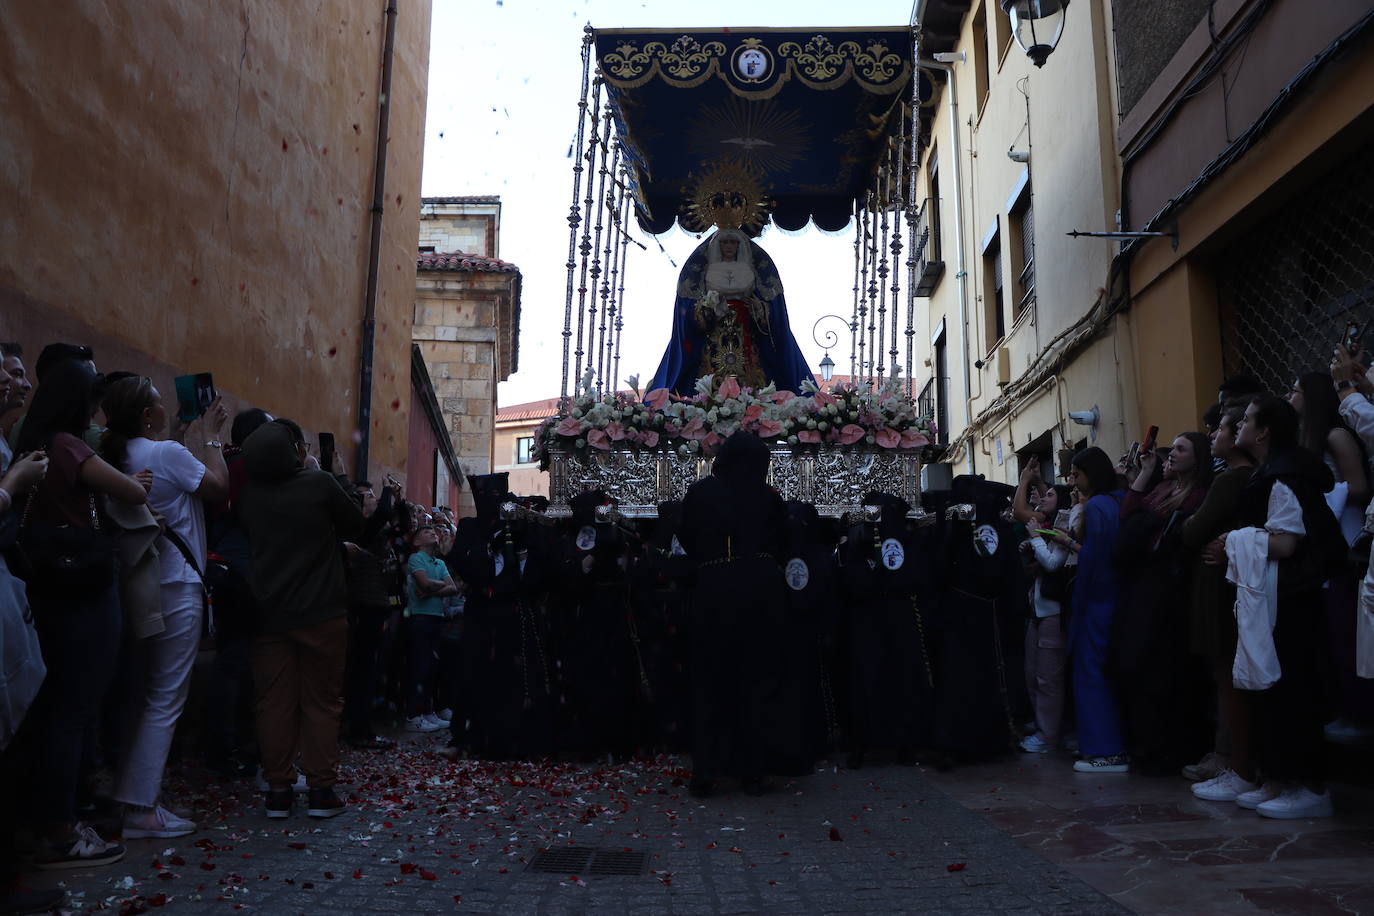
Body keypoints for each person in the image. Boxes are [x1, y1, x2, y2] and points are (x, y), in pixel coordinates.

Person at [13, 359, 149, 868]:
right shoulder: (68, 444)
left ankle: (45, 819)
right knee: (75, 709)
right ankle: (62, 828)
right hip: (81, 585)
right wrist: (139, 479)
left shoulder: (29, 439)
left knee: (53, 709)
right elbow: (132, 491)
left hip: (45, 581)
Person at [98, 376, 230, 838]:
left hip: (140, 582)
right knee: (166, 696)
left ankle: (132, 793)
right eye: (157, 405)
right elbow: (217, 486)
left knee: (140, 693)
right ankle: (139, 808)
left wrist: (176, 429)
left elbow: (168, 467)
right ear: (148, 416)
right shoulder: (166, 454)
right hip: (176, 583)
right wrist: (211, 437)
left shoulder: (117, 455)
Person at [1206, 395, 1342, 818]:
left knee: (1295, 689)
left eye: (1246, 420)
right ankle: (1279, 777)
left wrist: (1232, 542)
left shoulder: (1284, 476)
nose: (1239, 425)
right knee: (1275, 691)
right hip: (1276, 597)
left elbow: (1284, 542)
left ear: (1263, 432)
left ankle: (1310, 786)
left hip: (1294, 597)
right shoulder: (1271, 473)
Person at [239, 420, 363, 819]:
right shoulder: (317, 483)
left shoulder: (249, 496)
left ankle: (278, 788)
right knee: (322, 702)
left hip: (268, 614)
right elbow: (355, 522)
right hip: (321, 609)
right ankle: (321, 789)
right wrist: (338, 475)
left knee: (274, 703)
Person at [678, 431, 787, 795]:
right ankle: (752, 770)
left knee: (710, 680)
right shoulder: (768, 497)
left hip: (713, 588)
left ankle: (706, 770)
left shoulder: (699, 493)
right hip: (759, 590)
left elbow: (688, 538)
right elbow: (781, 540)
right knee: (756, 679)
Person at [1183, 400, 1256, 799]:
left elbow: (1194, 529)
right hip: (1230, 578)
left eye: (1224, 428)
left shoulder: (1231, 479)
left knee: (1226, 672)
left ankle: (1231, 757)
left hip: (1221, 581)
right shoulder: (1240, 477)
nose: (1215, 434)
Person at [646, 228, 813, 395]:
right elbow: (692, 317)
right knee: (709, 384)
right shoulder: (709, 271)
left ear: (739, 245)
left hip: (746, 336)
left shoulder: (748, 270)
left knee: (751, 381)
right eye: (724, 242)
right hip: (714, 338)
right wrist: (707, 309)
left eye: (733, 242)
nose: (728, 246)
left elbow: (771, 316)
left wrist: (759, 309)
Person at [1061, 446, 1129, 773]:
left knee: (1092, 675)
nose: (1072, 481)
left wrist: (1071, 545)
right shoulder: (1118, 501)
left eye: (1076, 474)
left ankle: (1104, 749)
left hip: (1098, 602)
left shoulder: (1099, 506)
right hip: (1117, 599)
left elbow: (1095, 559)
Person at [1015, 462, 1072, 755]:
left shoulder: (1061, 528)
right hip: (1036, 610)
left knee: (1049, 677)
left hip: (1052, 612)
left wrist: (1035, 539)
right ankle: (1043, 726)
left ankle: (1049, 734)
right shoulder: (1048, 526)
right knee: (1033, 672)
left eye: (1049, 494)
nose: (1042, 497)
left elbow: (1053, 563)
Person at [403, 523, 459, 732]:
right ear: (416, 541)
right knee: (420, 666)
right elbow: (423, 584)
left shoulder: (440, 562)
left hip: (437, 617)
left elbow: (453, 587)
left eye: (433, 531)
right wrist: (437, 586)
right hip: (420, 618)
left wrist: (431, 589)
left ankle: (427, 711)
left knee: (432, 667)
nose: (432, 533)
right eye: (426, 532)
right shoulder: (416, 558)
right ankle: (414, 714)